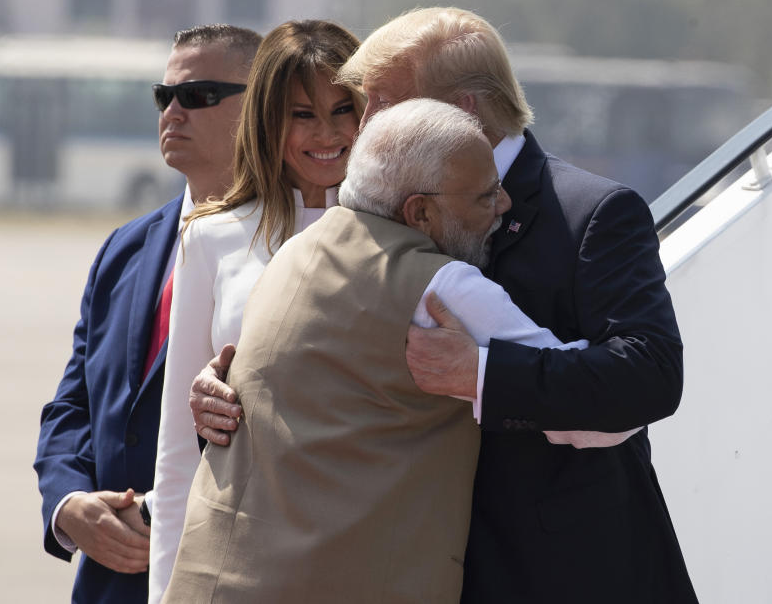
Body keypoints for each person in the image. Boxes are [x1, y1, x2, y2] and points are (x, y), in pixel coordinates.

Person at [193, 7, 698, 603]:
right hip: (417, 569)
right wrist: (233, 391)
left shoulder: (593, 213)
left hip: (563, 573)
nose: (364, 125)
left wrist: (482, 373)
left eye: (381, 104)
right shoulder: (379, 205)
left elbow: (649, 375)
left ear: (461, 111)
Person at [164, 98, 613, 603]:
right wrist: (483, 372)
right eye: (486, 195)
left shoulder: (298, 249)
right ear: (419, 212)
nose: (504, 205)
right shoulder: (446, 288)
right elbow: (601, 419)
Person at [32, 24, 261, 604]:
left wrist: (161, 511)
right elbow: (73, 405)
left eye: (199, 95)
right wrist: (69, 504)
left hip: (224, 577)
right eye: (165, 96)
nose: (174, 111)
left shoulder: (291, 250)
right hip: (109, 582)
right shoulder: (124, 248)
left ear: (263, 106)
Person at [147, 19, 362, 603]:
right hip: (244, 558)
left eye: (344, 109)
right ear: (267, 119)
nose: (327, 133)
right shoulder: (211, 238)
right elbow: (173, 458)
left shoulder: (412, 236)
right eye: (301, 114)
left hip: (373, 548)